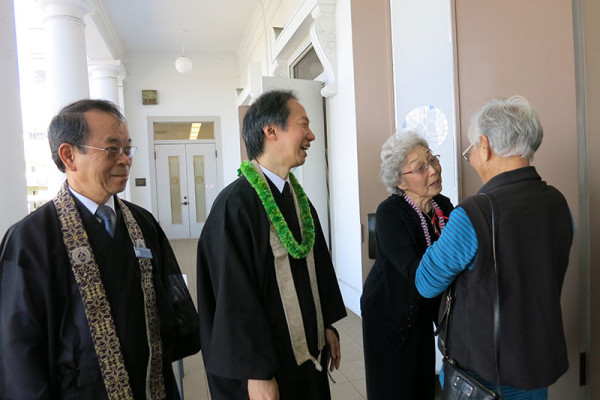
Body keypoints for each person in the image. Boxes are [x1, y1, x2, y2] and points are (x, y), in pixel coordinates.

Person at [0, 99, 200, 399]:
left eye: (127, 148)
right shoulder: (31, 239)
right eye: (111, 149)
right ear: (69, 156)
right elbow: (18, 348)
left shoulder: (141, 222)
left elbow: (170, 300)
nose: (125, 159)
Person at [415, 95, 573, 400]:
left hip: (483, 375)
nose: (472, 157)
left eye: (471, 149)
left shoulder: (473, 214)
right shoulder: (558, 203)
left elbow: (426, 282)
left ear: (485, 146)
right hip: (536, 365)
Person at [196, 89, 346, 400]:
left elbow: (317, 271)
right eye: (303, 124)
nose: (312, 135)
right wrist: (256, 372)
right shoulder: (235, 206)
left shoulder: (300, 201)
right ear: (271, 130)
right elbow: (233, 299)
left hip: (308, 354)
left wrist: (326, 327)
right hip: (267, 366)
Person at [360, 130, 453, 399]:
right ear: (400, 182)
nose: (433, 171)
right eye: (420, 168)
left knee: (421, 380)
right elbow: (415, 272)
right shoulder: (390, 213)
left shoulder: (443, 206)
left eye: (432, 160)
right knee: (394, 385)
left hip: (423, 313)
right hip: (388, 315)